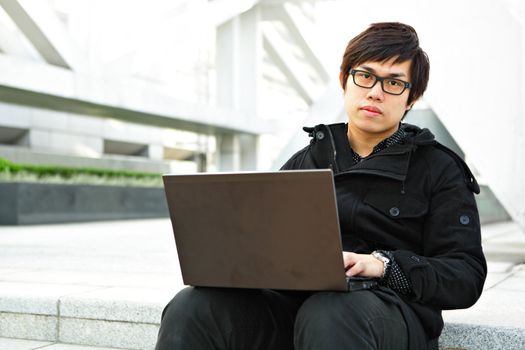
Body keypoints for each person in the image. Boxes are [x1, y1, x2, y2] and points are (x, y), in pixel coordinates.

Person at [155, 22, 486, 350]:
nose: (375, 92)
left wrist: (383, 265)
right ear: (345, 80)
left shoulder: (440, 169)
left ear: (411, 99)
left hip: (386, 314)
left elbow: (465, 275)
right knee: (193, 307)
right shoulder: (307, 159)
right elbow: (264, 245)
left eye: (394, 83)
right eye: (365, 76)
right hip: (297, 308)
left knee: (330, 312)